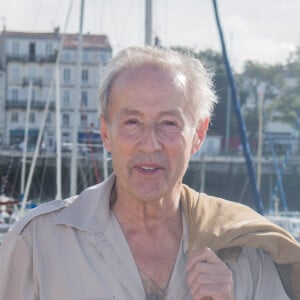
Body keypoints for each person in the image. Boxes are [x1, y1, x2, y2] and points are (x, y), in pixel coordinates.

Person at [0, 46, 299, 300]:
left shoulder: (248, 253)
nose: (150, 144)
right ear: (106, 132)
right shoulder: (37, 243)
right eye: (132, 122)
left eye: (169, 123)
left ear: (199, 134)